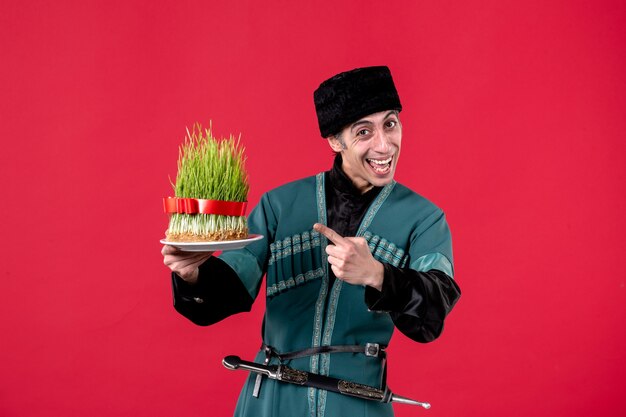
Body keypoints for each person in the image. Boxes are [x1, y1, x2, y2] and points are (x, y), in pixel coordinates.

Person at [162, 66, 461, 417]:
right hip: (271, 400)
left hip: (358, 402)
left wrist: (378, 275)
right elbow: (224, 293)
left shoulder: (424, 219)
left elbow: (432, 313)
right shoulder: (279, 205)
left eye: (390, 124)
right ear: (336, 141)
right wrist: (192, 275)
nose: (384, 144)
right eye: (364, 131)